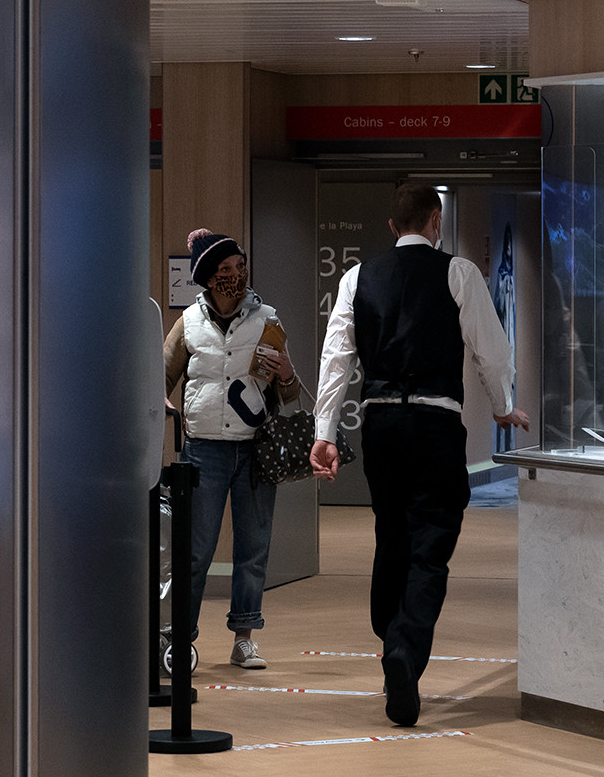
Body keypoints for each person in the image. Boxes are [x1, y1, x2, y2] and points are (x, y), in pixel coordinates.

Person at [310, 183, 530, 727]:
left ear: (392, 227)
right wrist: (502, 407)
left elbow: (336, 357)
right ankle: (403, 648)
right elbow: (490, 348)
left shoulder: (357, 278)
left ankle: (390, 633)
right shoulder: (458, 273)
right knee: (432, 541)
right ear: (436, 221)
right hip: (435, 423)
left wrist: (325, 432)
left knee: (392, 532)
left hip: (381, 423)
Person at [164, 229, 300, 670]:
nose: (235, 277)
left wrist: (285, 373)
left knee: (253, 546)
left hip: (256, 451)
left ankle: (245, 636)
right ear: (207, 278)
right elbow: (161, 378)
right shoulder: (188, 323)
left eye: (240, 268)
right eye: (224, 271)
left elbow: (292, 393)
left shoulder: (268, 320)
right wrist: (165, 403)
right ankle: (180, 637)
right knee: (195, 548)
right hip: (203, 451)